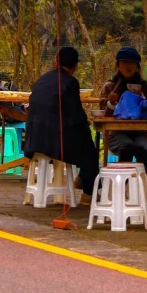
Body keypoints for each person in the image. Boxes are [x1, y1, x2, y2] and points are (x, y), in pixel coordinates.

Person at [24, 45, 98, 200]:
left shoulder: (41, 80)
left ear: (56, 61)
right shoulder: (70, 82)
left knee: (84, 144)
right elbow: (76, 115)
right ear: (76, 65)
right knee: (89, 148)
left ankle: (83, 179)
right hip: (53, 143)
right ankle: (89, 193)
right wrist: (86, 126)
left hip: (33, 139)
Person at [100, 45, 147, 187]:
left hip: (140, 132)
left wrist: (142, 98)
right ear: (118, 65)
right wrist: (111, 103)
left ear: (137, 67)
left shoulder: (145, 87)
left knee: (140, 147)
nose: (128, 66)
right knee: (127, 146)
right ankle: (122, 184)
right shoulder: (110, 86)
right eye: (124, 62)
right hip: (115, 133)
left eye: (131, 63)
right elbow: (103, 114)